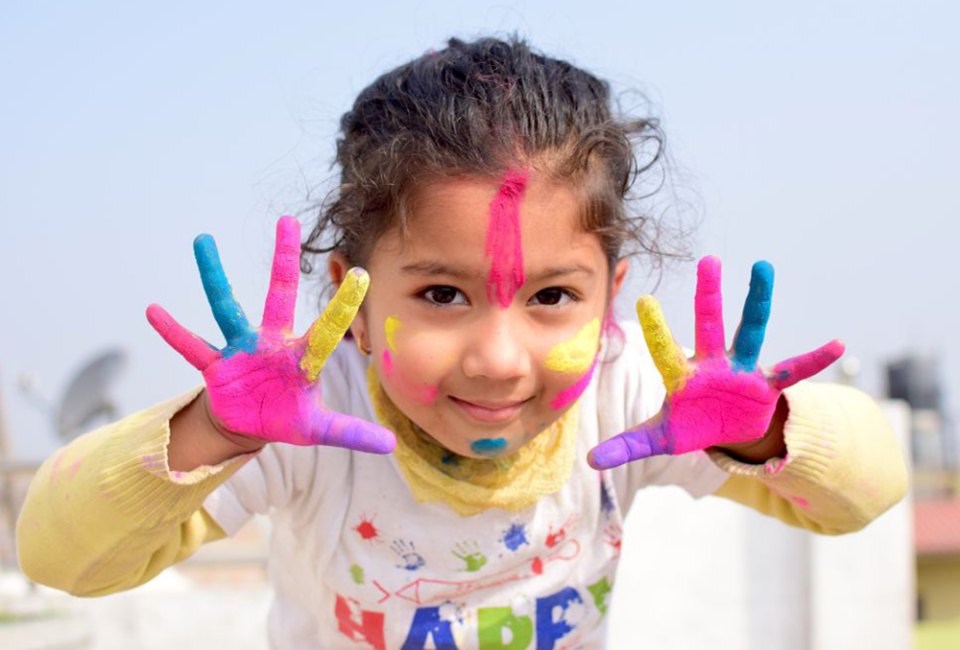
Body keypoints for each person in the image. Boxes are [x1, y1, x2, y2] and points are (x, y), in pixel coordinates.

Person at [17, 36, 907, 648]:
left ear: (611, 299)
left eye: (554, 296)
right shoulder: (307, 420)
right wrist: (217, 431)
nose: (499, 357)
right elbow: (59, 558)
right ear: (352, 304)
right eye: (442, 293)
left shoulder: (631, 398)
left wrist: (760, 434)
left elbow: (870, 491)